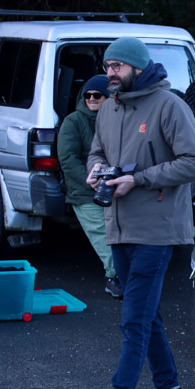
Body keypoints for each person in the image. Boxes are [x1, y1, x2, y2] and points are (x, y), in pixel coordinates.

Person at [70, 37, 195, 389]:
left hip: (157, 228)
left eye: (117, 66)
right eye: (107, 65)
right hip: (118, 223)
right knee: (148, 318)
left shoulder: (169, 106)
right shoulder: (110, 107)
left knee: (134, 318)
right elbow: (96, 152)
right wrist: (96, 171)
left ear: (137, 67)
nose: (110, 72)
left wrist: (140, 179)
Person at [56, 74, 122, 298]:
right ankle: (115, 277)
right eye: (87, 95)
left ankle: (129, 276)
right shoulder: (74, 121)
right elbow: (67, 159)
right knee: (104, 235)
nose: (92, 98)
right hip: (84, 193)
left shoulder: (116, 119)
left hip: (116, 188)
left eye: (97, 95)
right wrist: (92, 181)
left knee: (126, 232)